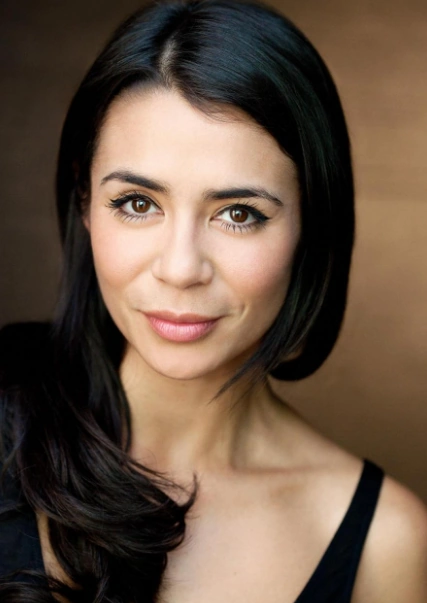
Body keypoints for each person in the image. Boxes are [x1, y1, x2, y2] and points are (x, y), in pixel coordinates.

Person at [0, 0, 426, 601]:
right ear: (85, 203)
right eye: (138, 204)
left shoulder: (383, 542)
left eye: (238, 214)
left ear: (312, 228)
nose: (181, 269)